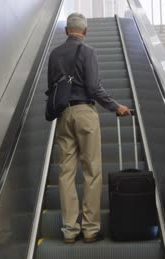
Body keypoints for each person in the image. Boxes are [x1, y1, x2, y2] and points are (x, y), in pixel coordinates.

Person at [47, 12, 130, 244]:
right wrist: (115, 107)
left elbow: (50, 88)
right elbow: (93, 87)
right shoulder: (88, 52)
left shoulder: (54, 54)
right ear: (85, 31)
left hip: (63, 115)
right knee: (91, 172)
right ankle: (91, 229)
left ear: (66, 30)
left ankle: (70, 230)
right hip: (85, 113)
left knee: (66, 173)